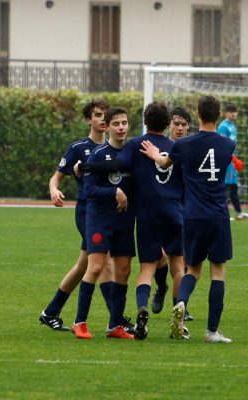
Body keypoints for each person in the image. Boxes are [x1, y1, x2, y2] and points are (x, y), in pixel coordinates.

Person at [77, 102, 185, 340]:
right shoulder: (178, 147)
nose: (121, 127)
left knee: (144, 268)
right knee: (178, 267)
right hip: (174, 214)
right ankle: (180, 316)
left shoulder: (136, 145)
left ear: (145, 122)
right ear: (169, 124)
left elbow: (118, 164)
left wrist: (87, 166)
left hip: (146, 216)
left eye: (123, 122)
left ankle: (140, 309)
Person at [140, 95, 235, 343]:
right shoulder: (228, 145)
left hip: (191, 216)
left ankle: (180, 303)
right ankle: (212, 331)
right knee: (218, 272)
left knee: (192, 269)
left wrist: (152, 153)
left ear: (198, 116)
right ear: (217, 115)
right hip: (218, 216)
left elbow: (163, 162)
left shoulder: (183, 145)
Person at [39, 99, 111, 331]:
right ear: (88, 120)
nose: (102, 119)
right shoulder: (78, 148)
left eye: (105, 115)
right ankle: (117, 320)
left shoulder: (114, 148)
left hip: (106, 211)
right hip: (87, 210)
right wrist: (54, 190)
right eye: (98, 115)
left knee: (84, 265)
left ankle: (50, 312)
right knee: (104, 261)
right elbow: (56, 176)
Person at [70, 106, 135, 340]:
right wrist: (114, 192)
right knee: (95, 267)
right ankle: (80, 322)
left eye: (124, 123)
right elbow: (89, 190)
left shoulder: (131, 152)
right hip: (99, 219)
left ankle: (115, 325)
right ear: (107, 127)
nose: (121, 128)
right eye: (116, 123)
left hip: (124, 221)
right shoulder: (98, 154)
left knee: (124, 272)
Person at [151, 106, 194, 323]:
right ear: (169, 125)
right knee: (160, 256)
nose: (179, 128)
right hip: (159, 211)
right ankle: (161, 286)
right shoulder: (158, 147)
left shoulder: (190, 149)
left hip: (185, 209)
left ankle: (181, 306)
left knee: (184, 261)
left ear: (188, 127)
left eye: (183, 125)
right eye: (176, 124)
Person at [217, 103, 248, 220]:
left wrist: (235, 159)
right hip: (226, 161)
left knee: (233, 187)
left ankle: (239, 213)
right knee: (225, 188)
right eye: (231, 111)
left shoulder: (232, 126)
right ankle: (223, 214)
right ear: (226, 113)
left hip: (233, 161)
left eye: (234, 111)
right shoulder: (223, 127)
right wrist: (231, 159)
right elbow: (221, 145)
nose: (233, 114)